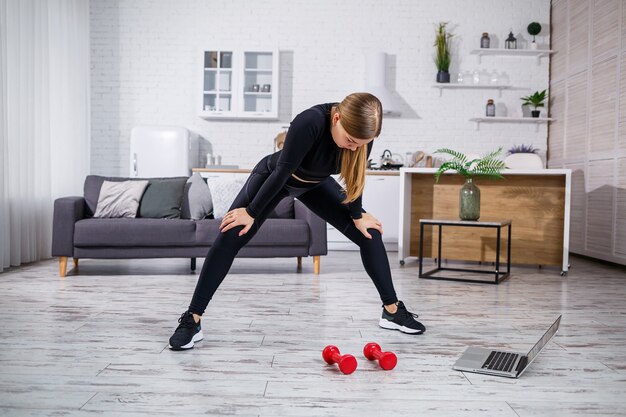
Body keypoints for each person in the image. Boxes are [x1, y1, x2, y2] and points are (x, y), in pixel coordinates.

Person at [169, 92, 425, 350]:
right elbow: (282, 171)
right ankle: (192, 319)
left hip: (315, 185)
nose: (355, 147)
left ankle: (392, 310)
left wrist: (358, 215)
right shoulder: (310, 122)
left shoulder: (362, 136)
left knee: (370, 234)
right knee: (229, 236)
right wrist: (252, 212)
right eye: (350, 140)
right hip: (275, 178)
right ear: (336, 118)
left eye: (361, 143)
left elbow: (355, 176)